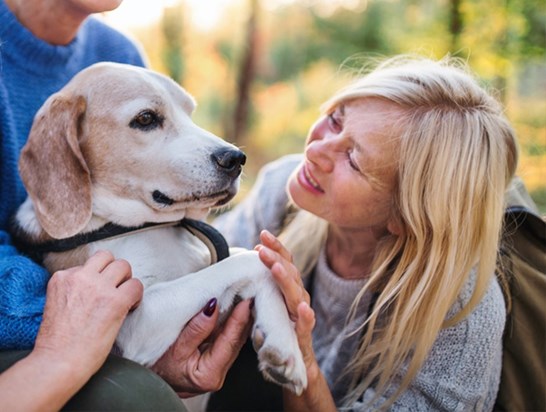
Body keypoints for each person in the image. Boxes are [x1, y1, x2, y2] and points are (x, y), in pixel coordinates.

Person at [210, 55, 519, 411]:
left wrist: (301, 363)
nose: (313, 150)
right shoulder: (281, 193)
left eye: (353, 160)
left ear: (405, 215)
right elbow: (194, 270)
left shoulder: (461, 317)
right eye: (334, 120)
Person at [0, 0, 251, 409]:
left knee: (258, 362)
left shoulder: (119, 54)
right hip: (35, 325)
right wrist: (118, 323)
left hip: (126, 299)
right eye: (148, 120)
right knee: (134, 398)